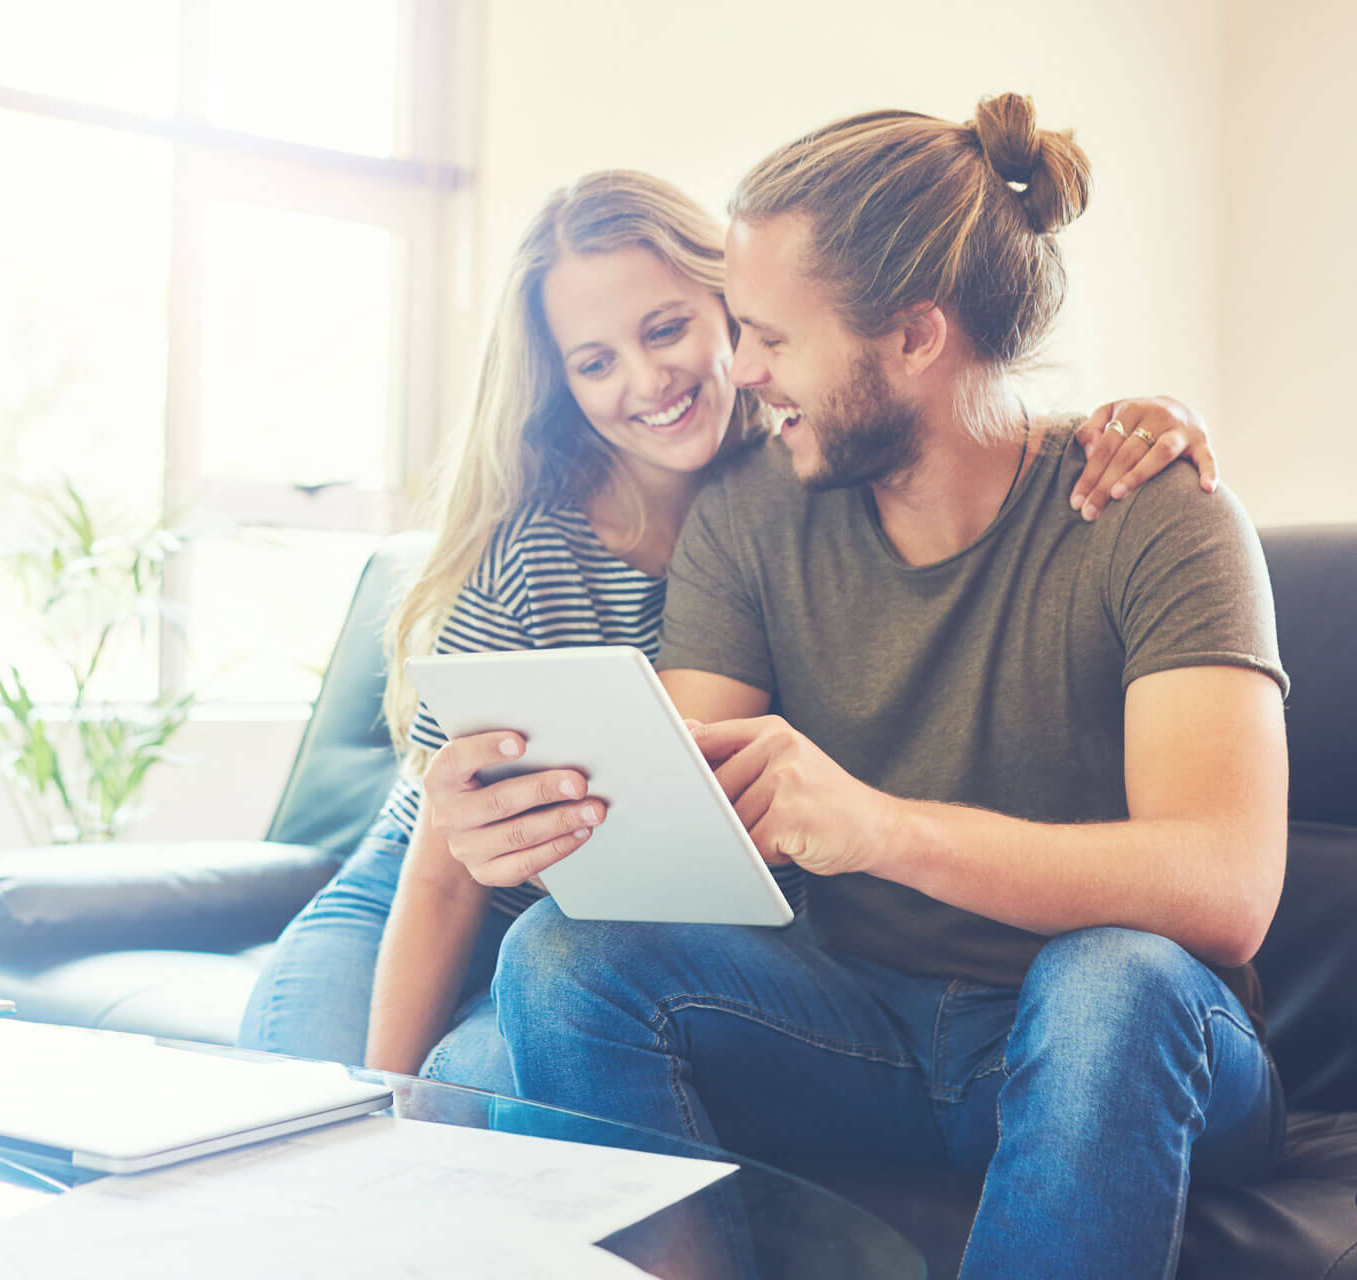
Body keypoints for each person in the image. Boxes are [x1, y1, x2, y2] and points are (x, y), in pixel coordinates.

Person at [460, 96, 1285, 1279]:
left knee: (1111, 976)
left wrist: (883, 829)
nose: (739, 371)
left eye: (772, 339)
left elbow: (1222, 890)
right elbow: (670, 825)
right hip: (857, 1026)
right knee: (561, 955)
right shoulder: (748, 516)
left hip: (1133, 1040)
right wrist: (521, 820)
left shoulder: (1156, 516)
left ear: (911, 336)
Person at [236, 166, 1223, 1085]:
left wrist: (1153, 413)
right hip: (439, 894)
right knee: (304, 1132)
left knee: (497, 1067)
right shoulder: (531, 557)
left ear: (734, 312)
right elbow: (442, 877)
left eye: (666, 329)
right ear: (564, 385)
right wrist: (384, 1103)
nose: (645, 379)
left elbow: (958, 432)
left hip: (609, 932)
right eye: (594, 361)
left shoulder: (814, 465)